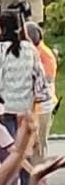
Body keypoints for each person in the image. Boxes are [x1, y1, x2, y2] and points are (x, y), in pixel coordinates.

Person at [0, 11, 51, 185]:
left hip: (4, 107)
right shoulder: (30, 49)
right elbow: (39, 76)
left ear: (1, 27)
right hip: (25, 107)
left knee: (8, 148)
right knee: (25, 148)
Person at [27, 21, 58, 159]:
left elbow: (48, 80)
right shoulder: (32, 52)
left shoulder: (45, 54)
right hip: (31, 105)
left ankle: (39, 174)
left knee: (39, 141)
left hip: (43, 106)